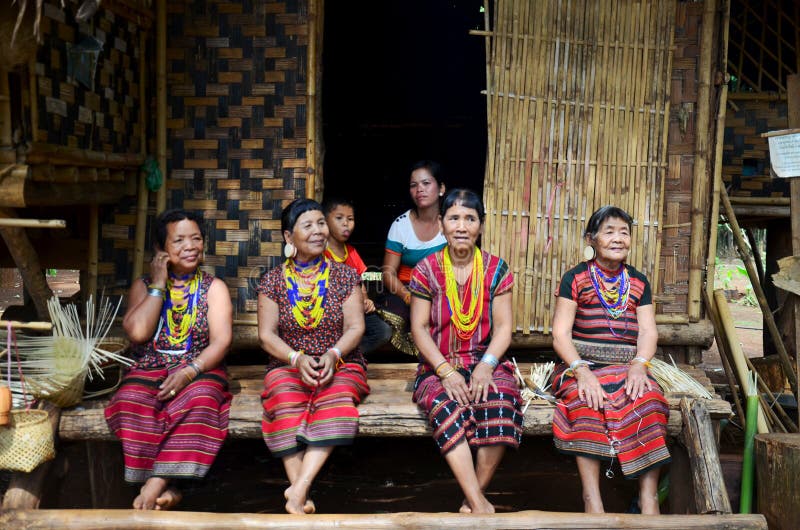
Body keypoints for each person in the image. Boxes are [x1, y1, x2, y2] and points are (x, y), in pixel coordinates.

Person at [105, 209, 233, 510]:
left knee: (201, 401)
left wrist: (190, 371)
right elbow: (138, 333)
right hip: (151, 365)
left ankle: (154, 485)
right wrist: (158, 284)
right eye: (178, 241)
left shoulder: (214, 288)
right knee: (131, 400)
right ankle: (170, 485)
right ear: (160, 250)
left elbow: (222, 342)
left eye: (196, 238)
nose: (191, 246)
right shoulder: (144, 285)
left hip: (201, 366)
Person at [409, 188, 523, 514]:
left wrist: (486, 366)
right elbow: (418, 328)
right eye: (454, 217)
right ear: (442, 224)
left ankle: (471, 499)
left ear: (481, 226)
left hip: (484, 360)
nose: (462, 226)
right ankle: (478, 503)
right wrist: (445, 372)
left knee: (501, 397)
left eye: (470, 218)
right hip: (438, 364)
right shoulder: (426, 270)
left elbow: (503, 328)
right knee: (446, 405)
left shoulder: (497, 269)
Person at [550, 205, 670, 515]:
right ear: (591, 239)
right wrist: (581, 372)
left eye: (624, 232)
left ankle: (648, 497)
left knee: (649, 400)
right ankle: (593, 499)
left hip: (627, 367)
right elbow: (560, 334)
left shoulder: (639, 282)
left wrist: (639, 365)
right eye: (609, 231)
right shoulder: (575, 277)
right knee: (586, 402)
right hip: (582, 366)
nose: (618, 238)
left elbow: (648, 332)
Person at [257, 198, 369, 515]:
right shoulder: (273, 280)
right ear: (288, 237)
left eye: (321, 223)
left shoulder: (346, 276)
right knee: (281, 398)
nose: (319, 231)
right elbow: (266, 335)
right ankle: (300, 492)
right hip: (288, 362)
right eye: (308, 225)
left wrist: (333, 355)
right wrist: (295, 359)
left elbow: (356, 327)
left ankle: (299, 489)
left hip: (341, 360)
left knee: (337, 398)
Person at [381, 160, 447, 355]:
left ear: (441, 188)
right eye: (414, 185)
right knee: (391, 321)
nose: (420, 189)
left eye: (426, 183)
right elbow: (387, 273)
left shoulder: (452, 222)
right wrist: (408, 296)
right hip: (407, 291)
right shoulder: (400, 226)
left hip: (443, 290)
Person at [322, 197, 392, 354]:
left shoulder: (352, 253)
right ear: (325, 221)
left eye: (350, 219)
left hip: (354, 312)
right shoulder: (320, 253)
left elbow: (360, 284)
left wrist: (366, 300)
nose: (346, 223)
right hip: (329, 313)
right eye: (339, 218)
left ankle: (347, 355)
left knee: (383, 332)